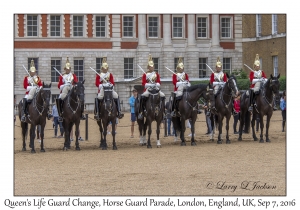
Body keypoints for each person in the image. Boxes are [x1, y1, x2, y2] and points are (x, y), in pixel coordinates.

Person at [56, 57, 86, 122]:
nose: (68, 70)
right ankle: (60, 114)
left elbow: (76, 83)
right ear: (65, 69)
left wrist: (72, 84)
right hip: (64, 88)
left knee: (80, 97)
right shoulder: (62, 76)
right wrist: (65, 84)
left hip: (72, 88)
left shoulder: (73, 75)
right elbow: (59, 86)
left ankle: (81, 113)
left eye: (69, 68)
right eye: (67, 69)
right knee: (60, 98)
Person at [138, 54, 166, 119]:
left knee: (163, 96)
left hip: (156, 89)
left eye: (152, 66)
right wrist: (150, 84)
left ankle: (163, 112)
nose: (152, 67)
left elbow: (159, 82)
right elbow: (143, 84)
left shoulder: (156, 74)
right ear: (148, 67)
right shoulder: (145, 74)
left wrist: (156, 84)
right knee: (142, 97)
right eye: (150, 67)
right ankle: (141, 112)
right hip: (148, 89)